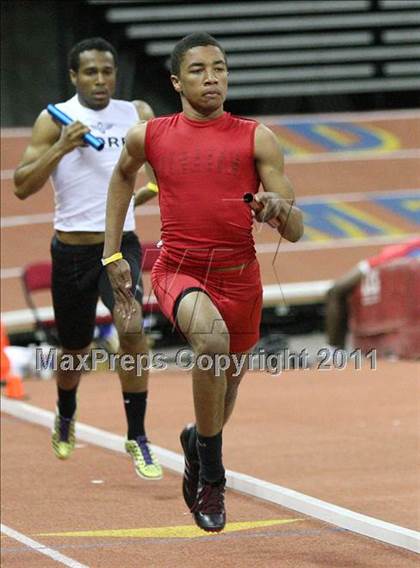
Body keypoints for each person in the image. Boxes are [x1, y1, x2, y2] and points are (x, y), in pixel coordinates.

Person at [103, 32, 304, 532]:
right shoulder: (149, 136)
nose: (212, 77)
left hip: (242, 278)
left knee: (226, 383)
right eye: (198, 70)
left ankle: (197, 441)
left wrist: (279, 210)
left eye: (219, 68)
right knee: (210, 342)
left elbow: (296, 229)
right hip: (179, 270)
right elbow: (121, 178)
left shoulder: (256, 137)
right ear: (176, 81)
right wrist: (112, 250)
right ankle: (213, 476)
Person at [13, 37, 162, 480]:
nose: (101, 80)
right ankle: (65, 411)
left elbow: (156, 176)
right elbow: (21, 185)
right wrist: (61, 146)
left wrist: (147, 192)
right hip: (72, 250)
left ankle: (137, 435)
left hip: (119, 245)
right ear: (74, 77)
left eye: (107, 71)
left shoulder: (134, 113)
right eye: (91, 72)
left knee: (131, 326)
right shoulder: (54, 118)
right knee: (73, 349)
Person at [325, 237, 420, 349]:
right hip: (376, 263)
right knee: (336, 291)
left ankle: (334, 349)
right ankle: (334, 349)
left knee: (336, 291)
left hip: (387, 263)